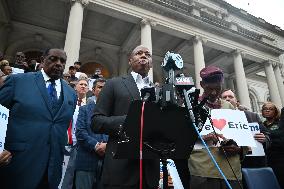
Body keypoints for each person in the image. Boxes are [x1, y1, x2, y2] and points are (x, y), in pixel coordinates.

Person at [0, 48, 77, 189]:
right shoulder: (18, 81)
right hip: (17, 164)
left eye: (62, 61)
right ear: (42, 60)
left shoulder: (71, 94)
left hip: (52, 171)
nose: (59, 63)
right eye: (53, 59)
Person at [92, 45, 160, 189]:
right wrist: (130, 121)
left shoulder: (158, 91)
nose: (143, 56)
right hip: (121, 168)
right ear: (130, 60)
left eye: (147, 54)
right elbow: (96, 121)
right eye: (139, 53)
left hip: (150, 172)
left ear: (151, 63)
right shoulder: (114, 83)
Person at [188, 66, 244, 189]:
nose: (214, 93)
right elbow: (180, 137)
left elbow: (242, 138)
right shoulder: (191, 105)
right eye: (210, 88)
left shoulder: (229, 107)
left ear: (222, 84)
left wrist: (239, 149)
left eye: (218, 88)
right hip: (203, 171)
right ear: (202, 85)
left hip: (231, 171)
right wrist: (201, 137)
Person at [221, 89, 270, 168]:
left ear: (236, 101)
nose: (227, 98)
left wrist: (265, 138)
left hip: (252, 164)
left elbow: (267, 135)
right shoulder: (215, 118)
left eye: (230, 96)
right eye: (224, 97)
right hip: (227, 165)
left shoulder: (252, 116)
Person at [75, 78, 107, 189]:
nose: (103, 90)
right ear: (93, 90)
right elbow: (80, 132)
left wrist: (106, 145)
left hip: (107, 165)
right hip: (86, 161)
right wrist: (96, 145)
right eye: (100, 87)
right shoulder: (84, 110)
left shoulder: (114, 113)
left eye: (106, 88)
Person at [61, 78, 89, 189]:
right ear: (75, 87)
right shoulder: (67, 101)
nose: (83, 86)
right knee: (66, 175)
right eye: (81, 84)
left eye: (85, 85)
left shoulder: (90, 104)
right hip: (67, 142)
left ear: (88, 89)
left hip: (83, 145)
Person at [261, 102, 284, 188]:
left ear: (275, 111)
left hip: (279, 160)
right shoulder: (261, 125)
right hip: (266, 161)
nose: (267, 110)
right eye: (265, 109)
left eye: (271, 109)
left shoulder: (280, 124)